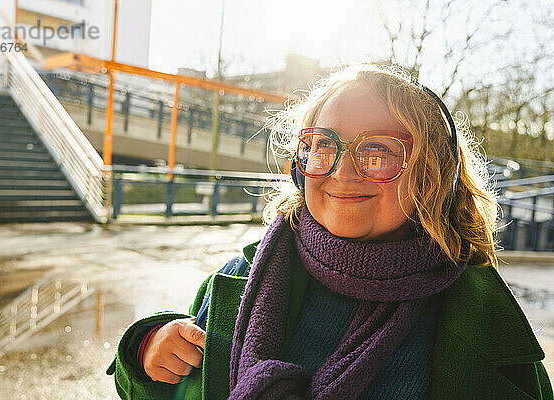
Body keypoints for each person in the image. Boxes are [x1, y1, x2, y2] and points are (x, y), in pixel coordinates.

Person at [107, 65, 553, 399]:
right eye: (322, 145)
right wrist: (146, 352)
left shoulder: (481, 313)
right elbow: (170, 386)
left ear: (433, 176)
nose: (342, 172)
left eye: (378, 151)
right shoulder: (242, 276)